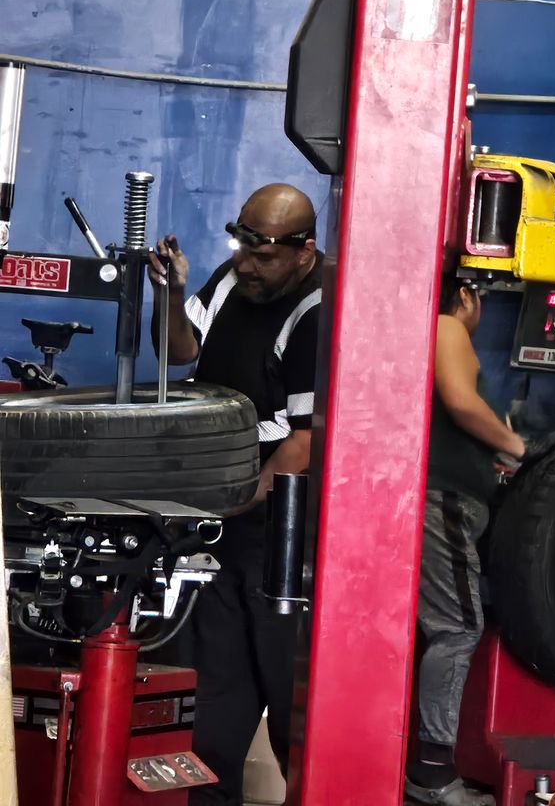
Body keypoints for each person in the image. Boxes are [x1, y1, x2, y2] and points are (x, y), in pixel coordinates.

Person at [148, 183, 322, 806]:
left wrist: (218, 504)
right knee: (215, 700)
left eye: (264, 253)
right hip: (224, 530)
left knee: (289, 705)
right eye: (241, 243)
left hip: (283, 538)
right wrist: (169, 295)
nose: (247, 263)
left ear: (304, 251)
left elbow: (301, 448)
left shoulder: (315, 309)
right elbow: (178, 352)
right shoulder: (232, 277)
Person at [405, 274, 527, 806]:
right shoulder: (447, 323)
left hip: (439, 498)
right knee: (456, 628)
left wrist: (491, 456)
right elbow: (459, 400)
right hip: (443, 502)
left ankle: (416, 766)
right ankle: (431, 775)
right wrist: (519, 446)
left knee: (436, 632)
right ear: (466, 296)